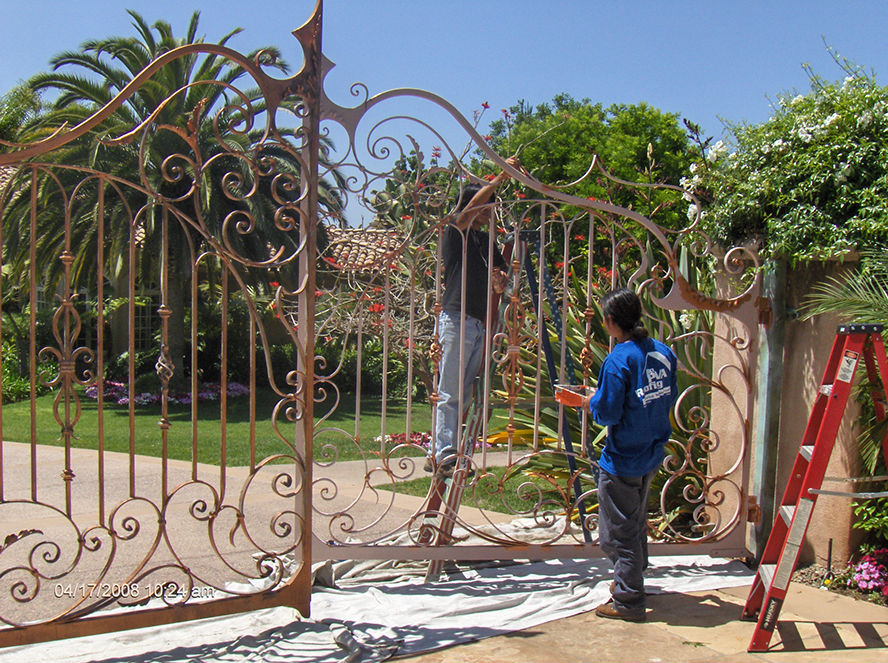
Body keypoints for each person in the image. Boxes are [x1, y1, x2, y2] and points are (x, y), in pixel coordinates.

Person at [555, 287, 677, 622]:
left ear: (610, 321)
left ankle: (628, 599)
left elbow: (607, 412)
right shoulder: (663, 353)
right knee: (634, 523)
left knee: (618, 534)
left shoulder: (618, 360)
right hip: (651, 453)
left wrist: (585, 401)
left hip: (623, 459)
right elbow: (665, 396)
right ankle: (633, 575)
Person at [428, 157, 520, 478]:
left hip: (478, 321)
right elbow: (467, 212)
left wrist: (500, 280)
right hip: (456, 318)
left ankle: (439, 452)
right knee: (450, 390)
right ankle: (444, 455)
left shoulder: (484, 240)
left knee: (463, 390)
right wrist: (500, 178)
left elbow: (500, 277)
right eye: (487, 204)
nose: (490, 211)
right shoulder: (457, 231)